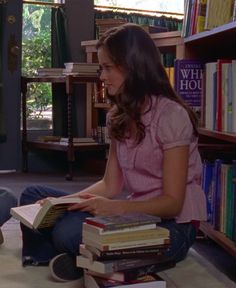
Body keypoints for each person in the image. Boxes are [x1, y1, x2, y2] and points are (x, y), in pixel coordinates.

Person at [19, 23, 207, 283]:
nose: (102, 77)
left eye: (107, 67)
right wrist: (60, 203)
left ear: (134, 66)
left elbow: (172, 203)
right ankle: (79, 259)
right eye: (101, 68)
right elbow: (110, 184)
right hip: (131, 214)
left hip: (171, 226)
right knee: (33, 196)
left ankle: (72, 256)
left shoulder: (172, 116)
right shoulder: (118, 116)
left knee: (69, 233)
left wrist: (114, 208)